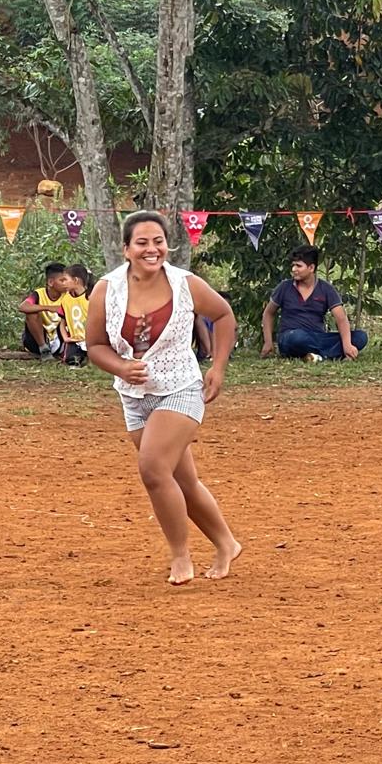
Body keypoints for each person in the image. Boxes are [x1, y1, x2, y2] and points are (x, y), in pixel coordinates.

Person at [86, 210, 242, 586]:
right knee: (181, 481)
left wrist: (218, 367)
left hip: (181, 388)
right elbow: (94, 346)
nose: (151, 249)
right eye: (142, 242)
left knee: (153, 469)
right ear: (126, 249)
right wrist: (121, 368)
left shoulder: (186, 284)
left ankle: (180, 555)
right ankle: (226, 543)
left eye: (158, 241)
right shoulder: (106, 290)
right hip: (134, 397)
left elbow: (223, 316)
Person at [260, 245, 367, 362]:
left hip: (318, 336)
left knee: (360, 337)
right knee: (297, 337)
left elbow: (341, 318)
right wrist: (268, 342)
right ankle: (329, 354)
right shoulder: (284, 287)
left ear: (311, 268)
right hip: (290, 337)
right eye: (293, 265)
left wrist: (347, 345)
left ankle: (316, 356)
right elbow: (268, 313)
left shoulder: (326, 289)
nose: (293, 269)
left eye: (298, 266)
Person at [18, 262, 69, 358]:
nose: (65, 283)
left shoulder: (68, 295)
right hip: (37, 342)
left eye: (67, 280)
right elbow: (23, 307)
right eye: (62, 280)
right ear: (51, 282)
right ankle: (44, 349)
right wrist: (49, 308)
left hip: (60, 338)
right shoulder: (39, 294)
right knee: (31, 313)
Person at [58, 263, 91, 367]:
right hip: (75, 340)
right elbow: (62, 322)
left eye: (65, 280)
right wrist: (65, 338)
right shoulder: (65, 299)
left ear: (76, 280)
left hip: (92, 340)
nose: (63, 283)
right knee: (71, 360)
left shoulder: (91, 297)